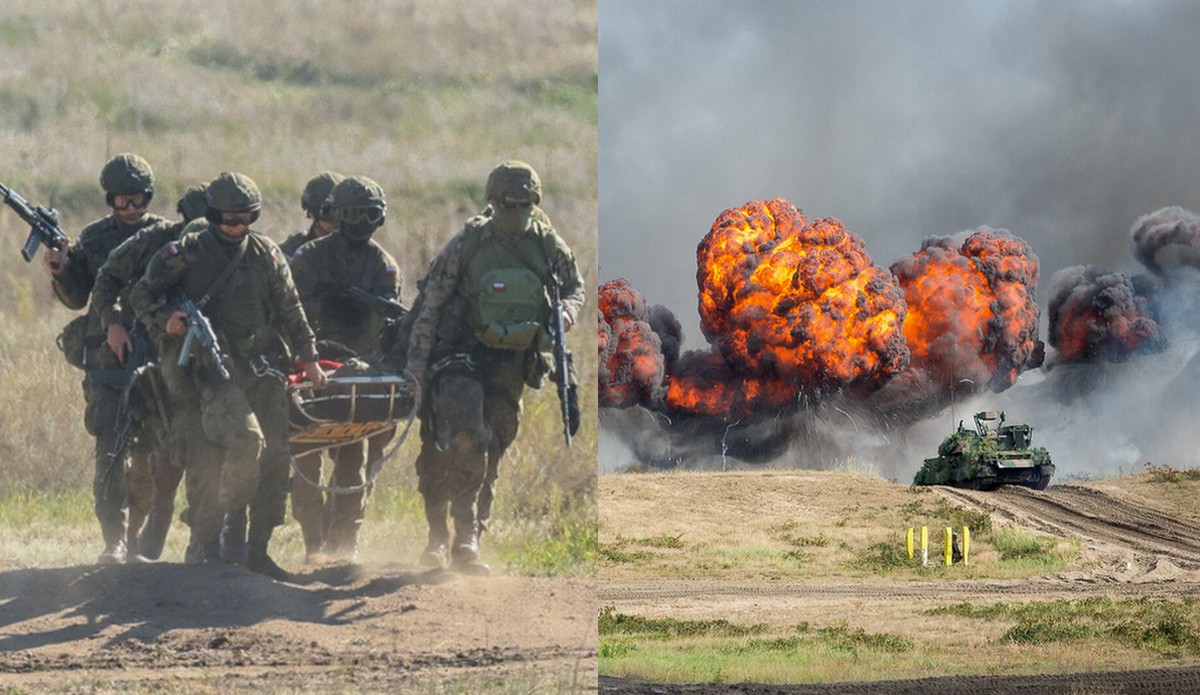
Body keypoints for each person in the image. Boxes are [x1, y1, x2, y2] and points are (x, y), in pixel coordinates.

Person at [130, 171, 326, 579]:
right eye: (226, 218)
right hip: (210, 376)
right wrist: (167, 318)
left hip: (263, 371)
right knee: (244, 442)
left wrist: (309, 358)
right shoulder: (184, 252)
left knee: (275, 460)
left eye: (244, 218)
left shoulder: (265, 254)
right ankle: (216, 536)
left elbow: (290, 308)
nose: (235, 226)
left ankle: (256, 550)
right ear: (212, 215)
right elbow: (142, 294)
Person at [403, 161, 585, 575]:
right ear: (492, 202)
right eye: (508, 204)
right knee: (459, 438)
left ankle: (470, 539)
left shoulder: (547, 244)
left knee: (495, 442)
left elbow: (575, 287)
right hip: (460, 353)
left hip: (511, 359)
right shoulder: (468, 244)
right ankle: (441, 537)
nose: (516, 212)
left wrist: (567, 312)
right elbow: (430, 307)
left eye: (525, 204)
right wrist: (417, 366)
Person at [43, 153, 171, 564]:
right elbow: (77, 297)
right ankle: (112, 539)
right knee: (110, 450)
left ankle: (136, 536)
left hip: (154, 358)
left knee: (152, 453)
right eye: (121, 201)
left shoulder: (166, 237)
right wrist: (61, 270)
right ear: (109, 200)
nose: (130, 209)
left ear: (148, 197)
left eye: (137, 200)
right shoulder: (94, 239)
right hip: (108, 360)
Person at [88, 182, 210, 560]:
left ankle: (194, 541)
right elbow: (107, 280)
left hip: (186, 365)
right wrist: (112, 323)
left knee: (186, 450)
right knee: (117, 442)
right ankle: (117, 538)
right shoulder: (156, 240)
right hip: (138, 355)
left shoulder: (230, 251)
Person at [289, 175, 401, 561]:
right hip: (311, 369)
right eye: (353, 214)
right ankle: (313, 542)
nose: (360, 223)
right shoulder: (308, 258)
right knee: (305, 454)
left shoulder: (384, 266)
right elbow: (289, 313)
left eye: (368, 214)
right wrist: (305, 358)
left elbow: (387, 329)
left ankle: (343, 545)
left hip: (358, 373)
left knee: (352, 460)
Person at [279, 172, 343, 258]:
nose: (336, 222)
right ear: (313, 213)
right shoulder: (292, 249)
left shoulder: (358, 250)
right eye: (329, 214)